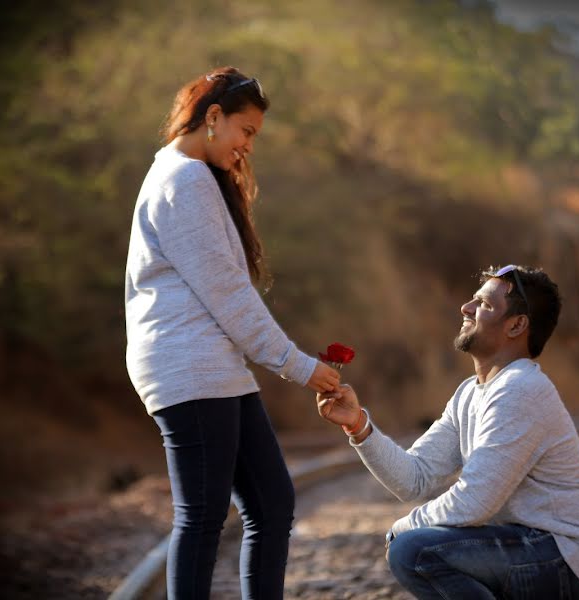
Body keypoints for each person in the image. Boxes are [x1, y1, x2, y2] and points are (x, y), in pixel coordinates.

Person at [124, 66, 340, 600]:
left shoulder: (182, 173)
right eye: (246, 131)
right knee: (201, 517)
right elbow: (231, 298)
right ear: (213, 118)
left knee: (271, 502)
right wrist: (300, 366)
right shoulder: (184, 179)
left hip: (214, 369)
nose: (247, 145)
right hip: (189, 366)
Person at [317, 265, 579, 599]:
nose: (466, 308)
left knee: (413, 550)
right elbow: (413, 478)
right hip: (529, 549)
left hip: (566, 560)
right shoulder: (470, 393)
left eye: (484, 305)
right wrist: (358, 425)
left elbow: (474, 503)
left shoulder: (522, 389)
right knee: (413, 547)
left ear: (517, 325)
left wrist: (404, 526)